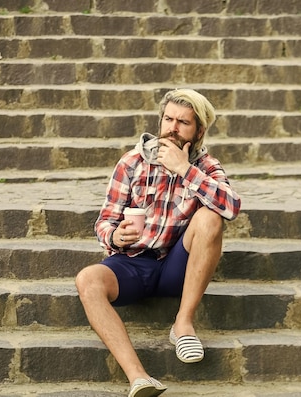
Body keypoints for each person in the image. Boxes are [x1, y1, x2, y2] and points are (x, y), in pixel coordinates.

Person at [75, 88, 241, 397]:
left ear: (199, 130)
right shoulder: (132, 162)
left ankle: (183, 324)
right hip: (132, 263)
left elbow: (231, 207)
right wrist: (114, 235)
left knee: (210, 218)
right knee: (87, 279)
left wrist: (184, 170)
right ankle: (139, 378)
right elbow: (104, 221)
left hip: (177, 266)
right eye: (168, 119)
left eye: (183, 122)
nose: (172, 128)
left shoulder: (205, 167)